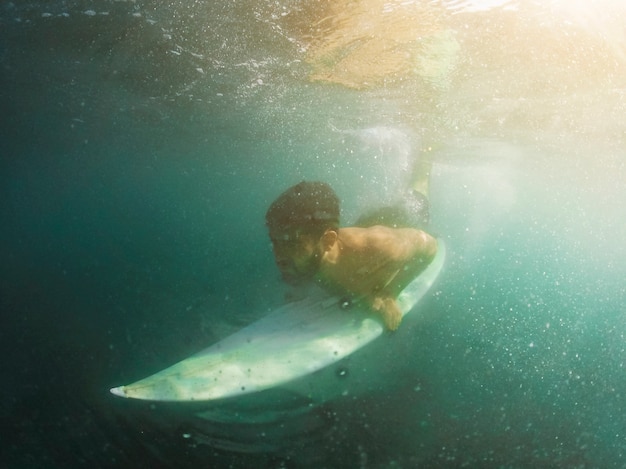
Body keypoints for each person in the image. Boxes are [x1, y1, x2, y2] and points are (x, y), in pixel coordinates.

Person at [265, 159, 438, 331]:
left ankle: (425, 158)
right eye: (275, 241)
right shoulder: (302, 258)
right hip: (368, 223)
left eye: (292, 243)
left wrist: (391, 293)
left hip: (403, 219)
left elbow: (430, 247)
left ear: (328, 241)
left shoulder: (378, 247)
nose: (278, 254)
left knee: (417, 195)